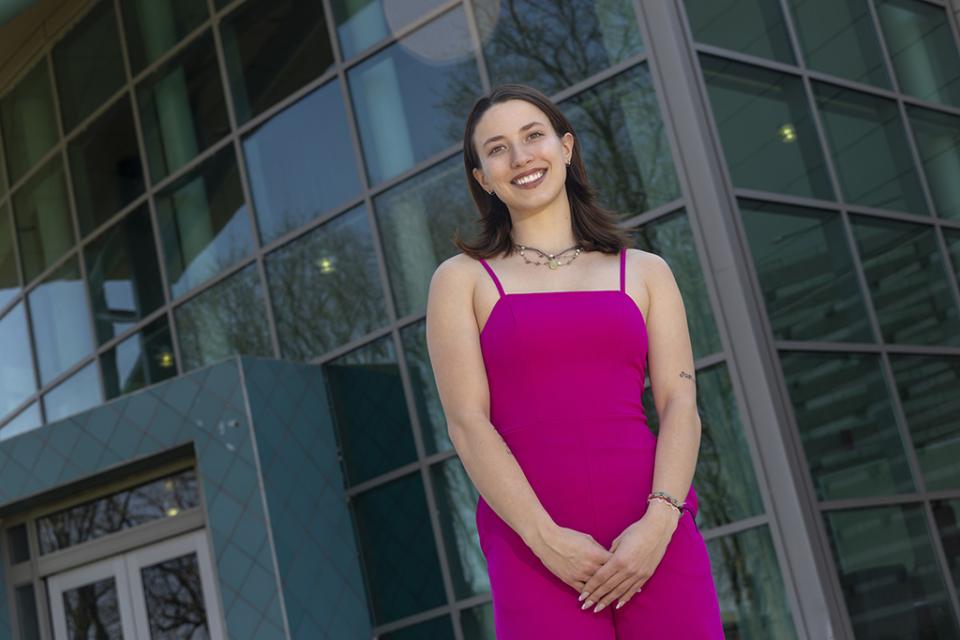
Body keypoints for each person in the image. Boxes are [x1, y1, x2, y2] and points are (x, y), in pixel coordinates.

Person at [425, 83, 724, 639]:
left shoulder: (646, 271)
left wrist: (661, 522)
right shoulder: (461, 280)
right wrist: (545, 539)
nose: (520, 158)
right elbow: (467, 423)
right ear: (482, 179)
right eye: (496, 149)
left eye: (533, 136)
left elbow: (680, 402)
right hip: (533, 547)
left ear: (565, 146)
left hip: (653, 531)